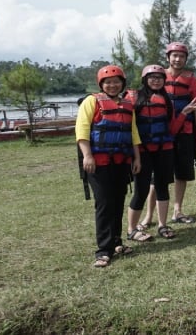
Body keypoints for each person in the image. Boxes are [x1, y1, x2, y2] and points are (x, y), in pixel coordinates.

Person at [76, 65, 141, 268]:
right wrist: (87, 155)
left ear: (122, 83)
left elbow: (133, 133)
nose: (113, 85)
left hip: (121, 161)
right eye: (108, 82)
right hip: (98, 163)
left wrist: (137, 158)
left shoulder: (127, 104)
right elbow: (82, 130)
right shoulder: (91, 101)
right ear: (101, 84)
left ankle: (116, 242)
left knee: (118, 202)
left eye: (116, 82)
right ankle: (103, 250)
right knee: (104, 204)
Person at [125, 65, 196, 242]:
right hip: (142, 151)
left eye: (159, 77)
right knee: (141, 190)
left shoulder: (166, 101)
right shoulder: (133, 98)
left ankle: (162, 225)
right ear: (145, 79)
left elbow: (172, 129)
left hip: (164, 150)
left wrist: (183, 113)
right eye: (152, 77)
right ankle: (131, 229)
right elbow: (128, 126)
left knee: (162, 187)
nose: (156, 80)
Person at [163, 42, 196, 224]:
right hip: (162, 133)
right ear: (168, 57)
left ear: (186, 59)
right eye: (174, 55)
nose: (178, 59)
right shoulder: (158, 76)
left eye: (181, 56)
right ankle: (149, 216)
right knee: (159, 174)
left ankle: (177, 210)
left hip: (185, 132)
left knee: (182, 173)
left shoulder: (191, 80)